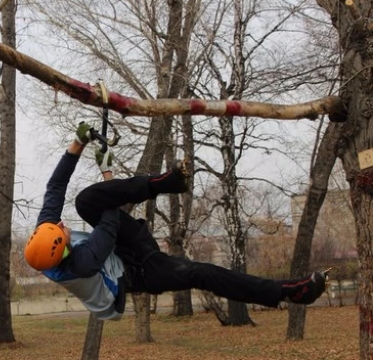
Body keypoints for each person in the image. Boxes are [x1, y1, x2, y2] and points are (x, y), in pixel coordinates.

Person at [24, 123, 327, 320]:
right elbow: (111, 218)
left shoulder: (45, 241)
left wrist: (77, 143)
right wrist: (106, 173)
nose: (62, 224)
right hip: (138, 274)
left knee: (84, 201)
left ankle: (164, 182)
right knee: (199, 272)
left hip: (121, 247)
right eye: (61, 230)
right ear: (62, 247)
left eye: (55, 224)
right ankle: (288, 291)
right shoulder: (84, 262)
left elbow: (55, 188)